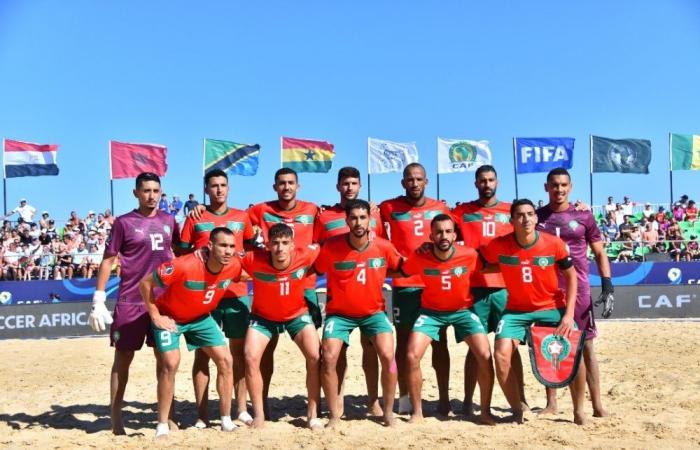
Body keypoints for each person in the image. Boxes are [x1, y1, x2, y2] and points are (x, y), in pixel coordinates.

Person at [87, 172, 180, 435]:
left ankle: (168, 416)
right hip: (130, 301)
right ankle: (116, 418)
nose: (152, 196)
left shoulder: (169, 221)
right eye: (146, 191)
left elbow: (181, 255)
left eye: (156, 191)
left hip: (162, 303)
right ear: (136, 193)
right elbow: (108, 260)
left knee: (166, 361)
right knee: (123, 360)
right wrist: (98, 298)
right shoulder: (124, 223)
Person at [484, 198, 587, 425]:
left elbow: (571, 276)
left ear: (536, 218)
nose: (526, 219)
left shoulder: (554, 244)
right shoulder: (498, 245)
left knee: (574, 353)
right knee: (501, 353)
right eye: (520, 215)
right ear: (512, 220)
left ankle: (579, 411)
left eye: (530, 214)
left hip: (552, 308)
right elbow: (480, 261)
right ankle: (518, 409)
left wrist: (569, 315)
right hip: (516, 311)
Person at [140, 227, 241, 438]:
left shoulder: (233, 266)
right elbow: (145, 283)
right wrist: (155, 316)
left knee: (226, 361)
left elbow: (257, 271)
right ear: (210, 246)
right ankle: (162, 425)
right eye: (223, 245)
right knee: (170, 363)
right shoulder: (183, 265)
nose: (228, 251)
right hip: (171, 317)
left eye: (232, 246)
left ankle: (225, 420)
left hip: (201, 318)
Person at [402, 214, 495, 425]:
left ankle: (485, 411)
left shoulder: (469, 255)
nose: (443, 236)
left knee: (484, 354)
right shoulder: (420, 257)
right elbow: (402, 270)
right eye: (438, 232)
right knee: (411, 355)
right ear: (431, 235)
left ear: (454, 235)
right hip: (430, 312)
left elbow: (490, 267)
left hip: (463, 311)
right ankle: (417, 413)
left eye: (447, 231)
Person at [314, 199, 400, 427]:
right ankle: (334, 414)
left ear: (369, 220)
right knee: (329, 357)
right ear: (346, 220)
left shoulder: (383, 246)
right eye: (353, 218)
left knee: (389, 358)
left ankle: (388, 412)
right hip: (339, 314)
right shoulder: (332, 246)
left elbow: (402, 267)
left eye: (363, 217)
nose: (358, 222)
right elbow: (316, 269)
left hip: (374, 313)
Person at [180, 169, 256, 427]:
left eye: (223, 185)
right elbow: (180, 252)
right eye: (214, 186)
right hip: (203, 298)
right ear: (206, 189)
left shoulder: (242, 217)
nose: (219, 190)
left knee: (238, 354)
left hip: (236, 295)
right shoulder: (195, 217)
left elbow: (252, 249)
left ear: (229, 188)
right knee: (203, 356)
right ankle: (202, 414)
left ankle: (241, 408)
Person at [451, 165, 527, 417]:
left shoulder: (510, 211)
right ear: (476, 184)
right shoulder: (462, 212)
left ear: (498, 181)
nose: (487, 184)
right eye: (482, 180)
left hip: (507, 288)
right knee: (475, 349)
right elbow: (437, 225)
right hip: (474, 289)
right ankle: (467, 401)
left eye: (491, 179)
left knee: (511, 348)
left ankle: (521, 399)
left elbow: (536, 223)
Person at [537, 168, 613, 418]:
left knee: (587, 347)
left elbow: (600, 252)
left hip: (578, 291)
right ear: (546, 187)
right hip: (547, 292)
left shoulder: (584, 215)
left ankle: (597, 405)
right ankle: (552, 403)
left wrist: (607, 284)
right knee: (549, 345)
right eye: (554, 185)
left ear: (570, 187)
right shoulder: (536, 218)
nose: (559, 189)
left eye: (563, 185)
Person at [379, 162, 451, 415]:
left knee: (439, 343)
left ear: (426, 181)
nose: (414, 183)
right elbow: (377, 237)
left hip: (434, 285)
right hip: (405, 286)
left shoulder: (441, 208)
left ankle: (444, 399)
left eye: (419, 179)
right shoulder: (388, 208)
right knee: (403, 343)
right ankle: (405, 396)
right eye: (410, 179)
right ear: (403, 183)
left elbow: (454, 238)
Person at [313, 166, 385, 416]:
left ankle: (373, 400)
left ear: (360, 186)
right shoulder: (324, 216)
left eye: (354, 183)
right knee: (336, 351)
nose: (350, 188)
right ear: (338, 187)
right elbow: (317, 249)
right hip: (339, 297)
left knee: (372, 348)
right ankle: (338, 398)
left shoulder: (374, 215)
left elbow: (381, 247)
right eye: (345, 183)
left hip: (369, 296)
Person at [247, 168, 320, 416]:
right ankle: (262, 405)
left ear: (297, 186)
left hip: (303, 288)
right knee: (265, 351)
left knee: (315, 353)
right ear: (274, 186)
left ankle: (317, 408)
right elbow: (236, 227)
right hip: (269, 291)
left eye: (291, 183)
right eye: (281, 183)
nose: (286, 187)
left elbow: (326, 239)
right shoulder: (259, 210)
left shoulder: (312, 209)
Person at [241, 223, 322, 430]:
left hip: (297, 315)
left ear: (293, 245)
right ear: (267, 245)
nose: (280, 248)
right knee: (250, 356)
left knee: (315, 356)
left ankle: (312, 414)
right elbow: (227, 257)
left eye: (285, 243)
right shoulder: (252, 259)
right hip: (263, 317)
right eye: (275, 243)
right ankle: (259, 415)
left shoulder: (306, 254)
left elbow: (326, 246)